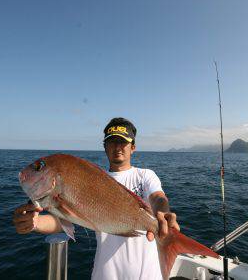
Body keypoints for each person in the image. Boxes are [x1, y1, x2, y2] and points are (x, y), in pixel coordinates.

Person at [13, 117, 180, 280]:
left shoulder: (145, 176)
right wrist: (34, 223)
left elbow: (157, 197)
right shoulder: (93, 179)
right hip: (105, 274)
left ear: (133, 147)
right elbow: (63, 221)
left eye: (123, 142)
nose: (118, 147)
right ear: (105, 147)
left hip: (148, 275)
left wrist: (163, 214)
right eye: (112, 142)